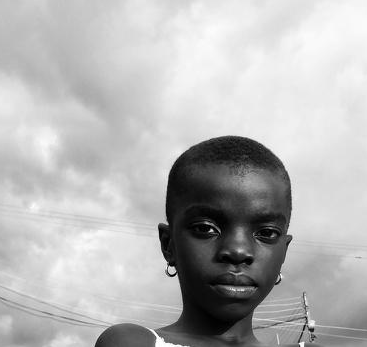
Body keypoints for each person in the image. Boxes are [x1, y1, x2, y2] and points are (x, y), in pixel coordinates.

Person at [95, 136, 322, 347]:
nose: (238, 251)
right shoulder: (135, 342)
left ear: (284, 252)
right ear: (168, 244)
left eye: (267, 233)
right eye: (206, 229)